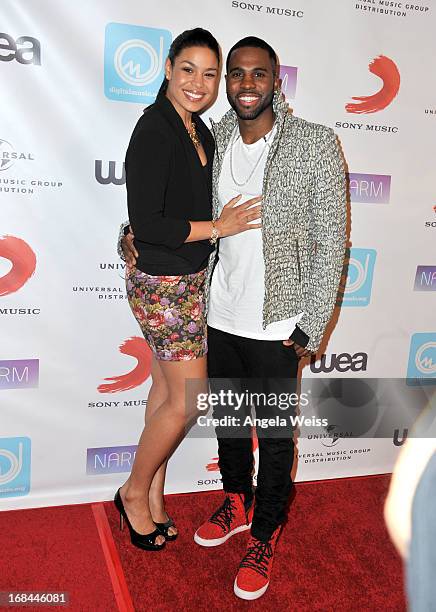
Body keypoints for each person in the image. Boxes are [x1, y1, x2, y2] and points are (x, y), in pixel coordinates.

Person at [121, 36, 346, 598]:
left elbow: (332, 241)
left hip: (277, 322)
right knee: (226, 425)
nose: (246, 85)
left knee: (273, 437)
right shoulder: (212, 135)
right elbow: (167, 207)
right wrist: (132, 236)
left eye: (257, 74)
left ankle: (265, 532)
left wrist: (312, 323)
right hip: (215, 310)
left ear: (276, 81)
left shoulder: (315, 145)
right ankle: (235, 501)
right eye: (237, 75)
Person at [115, 28, 262, 552]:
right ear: (168, 69)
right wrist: (217, 228)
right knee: (187, 402)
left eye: (209, 73)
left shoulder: (199, 129)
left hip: (187, 281)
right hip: (164, 286)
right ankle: (134, 493)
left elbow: (151, 216)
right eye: (188, 70)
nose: (199, 83)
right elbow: (149, 223)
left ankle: (152, 491)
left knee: (164, 391)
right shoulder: (155, 129)